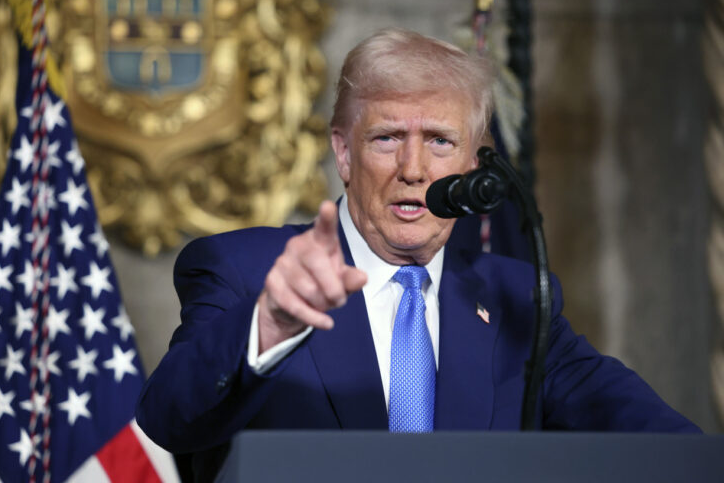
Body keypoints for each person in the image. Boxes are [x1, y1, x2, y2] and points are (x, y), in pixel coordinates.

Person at [136, 28, 699, 479]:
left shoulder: (514, 299)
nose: (413, 169)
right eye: (386, 138)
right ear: (344, 152)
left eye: (440, 140)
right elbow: (168, 417)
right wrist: (270, 321)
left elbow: (639, 428)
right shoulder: (246, 270)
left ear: (476, 165)